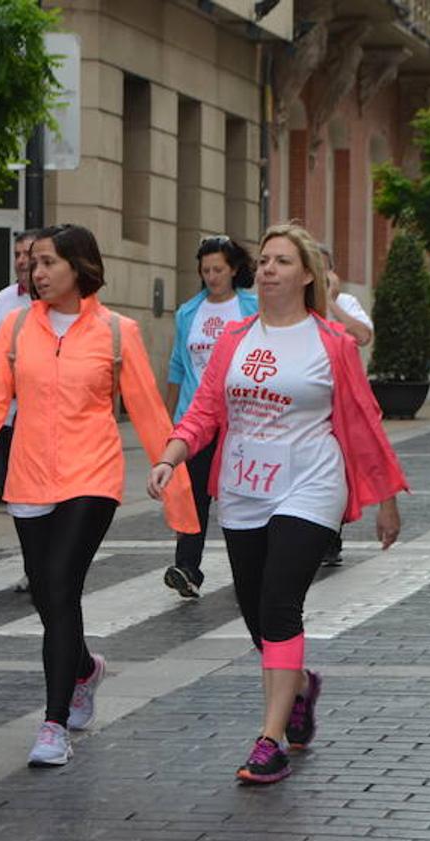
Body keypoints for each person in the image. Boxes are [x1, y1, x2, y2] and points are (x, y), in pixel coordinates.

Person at [147, 222, 406, 785]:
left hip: (312, 483)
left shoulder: (331, 343)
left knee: (281, 603)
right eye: (263, 260)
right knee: (254, 607)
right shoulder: (235, 340)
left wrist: (385, 499)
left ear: (307, 275)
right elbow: (204, 411)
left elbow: (363, 423)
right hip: (243, 487)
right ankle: (300, 687)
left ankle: (270, 741)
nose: (268, 269)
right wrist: (170, 457)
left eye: (282, 261)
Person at [0, 223, 197, 768]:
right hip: (28, 477)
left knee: (59, 584)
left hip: (92, 476)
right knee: (47, 597)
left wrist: (177, 494)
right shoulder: (15, 329)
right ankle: (84, 670)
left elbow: (149, 412)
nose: (37, 271)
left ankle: (53, 724)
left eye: (49, 261)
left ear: (80, 266)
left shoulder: (116, 332)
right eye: (33, 263)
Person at [163, 235, 258, 599]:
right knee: (193, 497)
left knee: (239, 496)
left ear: (234, 269)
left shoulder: (252, 307)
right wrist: (172, 421)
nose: (212, 276)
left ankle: (250, 567)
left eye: (219, 269)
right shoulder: (188, 312)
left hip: (240, 418)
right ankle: (187, 568)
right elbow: (177, 367)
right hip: (196, 418)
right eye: (206, 270)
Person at [318, 246, 373, 568]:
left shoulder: (347, 303)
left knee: (334, 470)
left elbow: (363, 336)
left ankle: (331, 536)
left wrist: (329, 303)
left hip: (340, 400)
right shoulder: (290, 305)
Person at [0, 230, 38, 504]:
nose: (22, 261)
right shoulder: (4, 299)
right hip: (7, 402)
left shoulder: (54, 300)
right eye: (17, 255)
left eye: (28, 254)